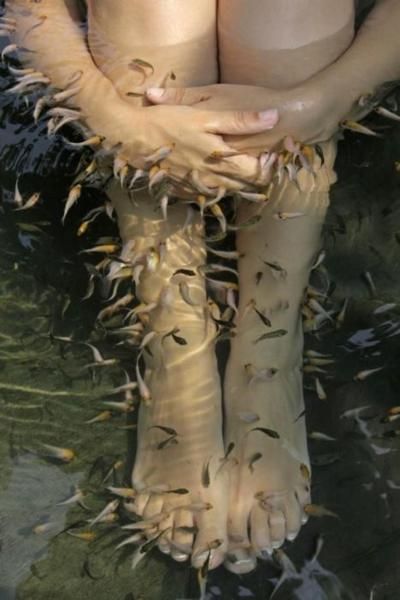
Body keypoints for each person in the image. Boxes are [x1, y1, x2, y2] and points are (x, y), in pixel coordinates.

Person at [4, 0, 400, 575]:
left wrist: (326, 100)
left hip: (316, 66)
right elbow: (26, 7)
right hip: (134, 85)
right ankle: (176, 345)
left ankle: (269, 350)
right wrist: (115, 121)